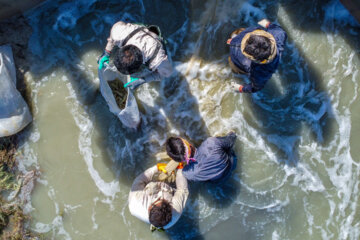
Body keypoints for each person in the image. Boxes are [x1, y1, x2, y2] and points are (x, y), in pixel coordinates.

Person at [98, 21, 173, 89]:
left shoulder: (157, 60)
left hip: (155, 42)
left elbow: (166, 74)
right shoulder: (119, 33)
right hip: (135, 31)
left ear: (139, 65)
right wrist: (106, 53)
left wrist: (143, 80)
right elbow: (116, 26)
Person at [228, 19, 287, 93]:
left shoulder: (259, 73)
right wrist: (267, 24)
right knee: (239, 32)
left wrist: (241, 88)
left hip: (237, 62)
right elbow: (276, 28)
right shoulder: (279, 34)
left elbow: (255, 87)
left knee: (234, 66)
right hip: (238, 43)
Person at [128, 165, 189, 231]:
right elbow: (182, 190)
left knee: (151, 187)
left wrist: (156, 168)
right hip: (165, 223)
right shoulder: (176, 211)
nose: (160, 198)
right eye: (163, 200)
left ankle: (157, 226)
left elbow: (140, 180)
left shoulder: (135, 200)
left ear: (149, 208)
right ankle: (159, 226)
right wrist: (180, 170)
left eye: (159, 200)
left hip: (147, 198)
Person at [165, 132, 237, 182]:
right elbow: (231, 140)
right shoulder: (211, 143)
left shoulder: (187, 173)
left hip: (218, 181)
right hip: (232, 164)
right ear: (185, 141)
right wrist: (232, 133)